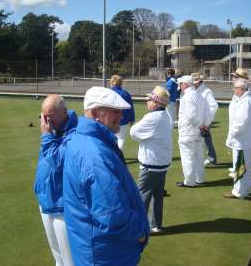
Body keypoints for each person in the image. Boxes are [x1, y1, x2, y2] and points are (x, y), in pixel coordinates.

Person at [63, 86, 150, 266]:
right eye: (115, 111)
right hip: (107, 254)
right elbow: (112, 214)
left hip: (100, 249)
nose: (121, 116)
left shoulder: (87, 140)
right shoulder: (94, 154)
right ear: (95, 113)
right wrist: (141, 233)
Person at [33, 94, 77, 266]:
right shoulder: (53, 131)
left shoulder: (74, 132)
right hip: (46, 199)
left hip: (62, 206)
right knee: (58, 257)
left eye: (50, 116)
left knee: (69, 260)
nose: (46, 121)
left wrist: (46, 136)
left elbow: (59, 162)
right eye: (44, 116)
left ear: (64, 113)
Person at [130, 86, 173, 234]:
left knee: (142, 197)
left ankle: (139, 229)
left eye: (149, 99)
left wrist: (136, 126)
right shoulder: (166, 114)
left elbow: (133, 133)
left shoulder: (153, 117)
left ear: (156, 102)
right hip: (161, 163)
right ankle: (156, 225)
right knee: (157, 196)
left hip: (151, 164)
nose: (147, 101)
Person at [224, 78, 251, 199]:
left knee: (240, 166)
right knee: (243, 166)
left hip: (241, 140)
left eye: (236, 88)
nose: (234, 90)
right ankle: (245, 189)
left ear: (242, 89)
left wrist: (232, 134)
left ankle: (239, 192)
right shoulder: (242, 99)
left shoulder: (246, 101)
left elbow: (241, 122)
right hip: (241, 140)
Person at [176, 75, 211, 188]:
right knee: (198, 156)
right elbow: (207, 112)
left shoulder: (187, 97)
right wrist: (205, 125)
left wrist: (201, 126)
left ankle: (189, 182)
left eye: (181, 83)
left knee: (188, 157)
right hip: (197, 132)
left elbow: (191, 115)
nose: (180, 85)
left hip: (188, 131)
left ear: (185, 84)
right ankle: (199, 179)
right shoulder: (199, 95)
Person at [191, 72, 219, 166]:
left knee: (205, 140)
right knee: (203, 140)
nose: (193, 84)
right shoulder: (195, 90)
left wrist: (207, 122)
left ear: (199, 82)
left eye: (194, 82)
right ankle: (210, 158)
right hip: (198, 120)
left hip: (204, 121)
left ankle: (212, 158)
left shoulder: (206, 91)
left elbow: (214, 106)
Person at [110, 74, 135, 150]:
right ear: (121, 83)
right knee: (121, 139)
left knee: (111, 139)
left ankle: (112, 156)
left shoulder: (108, 92)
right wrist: (132, 119)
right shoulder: (126, 93)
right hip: (123, 119)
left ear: (112, 82)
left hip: (109, 120)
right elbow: (131, 108)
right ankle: (118, 156)